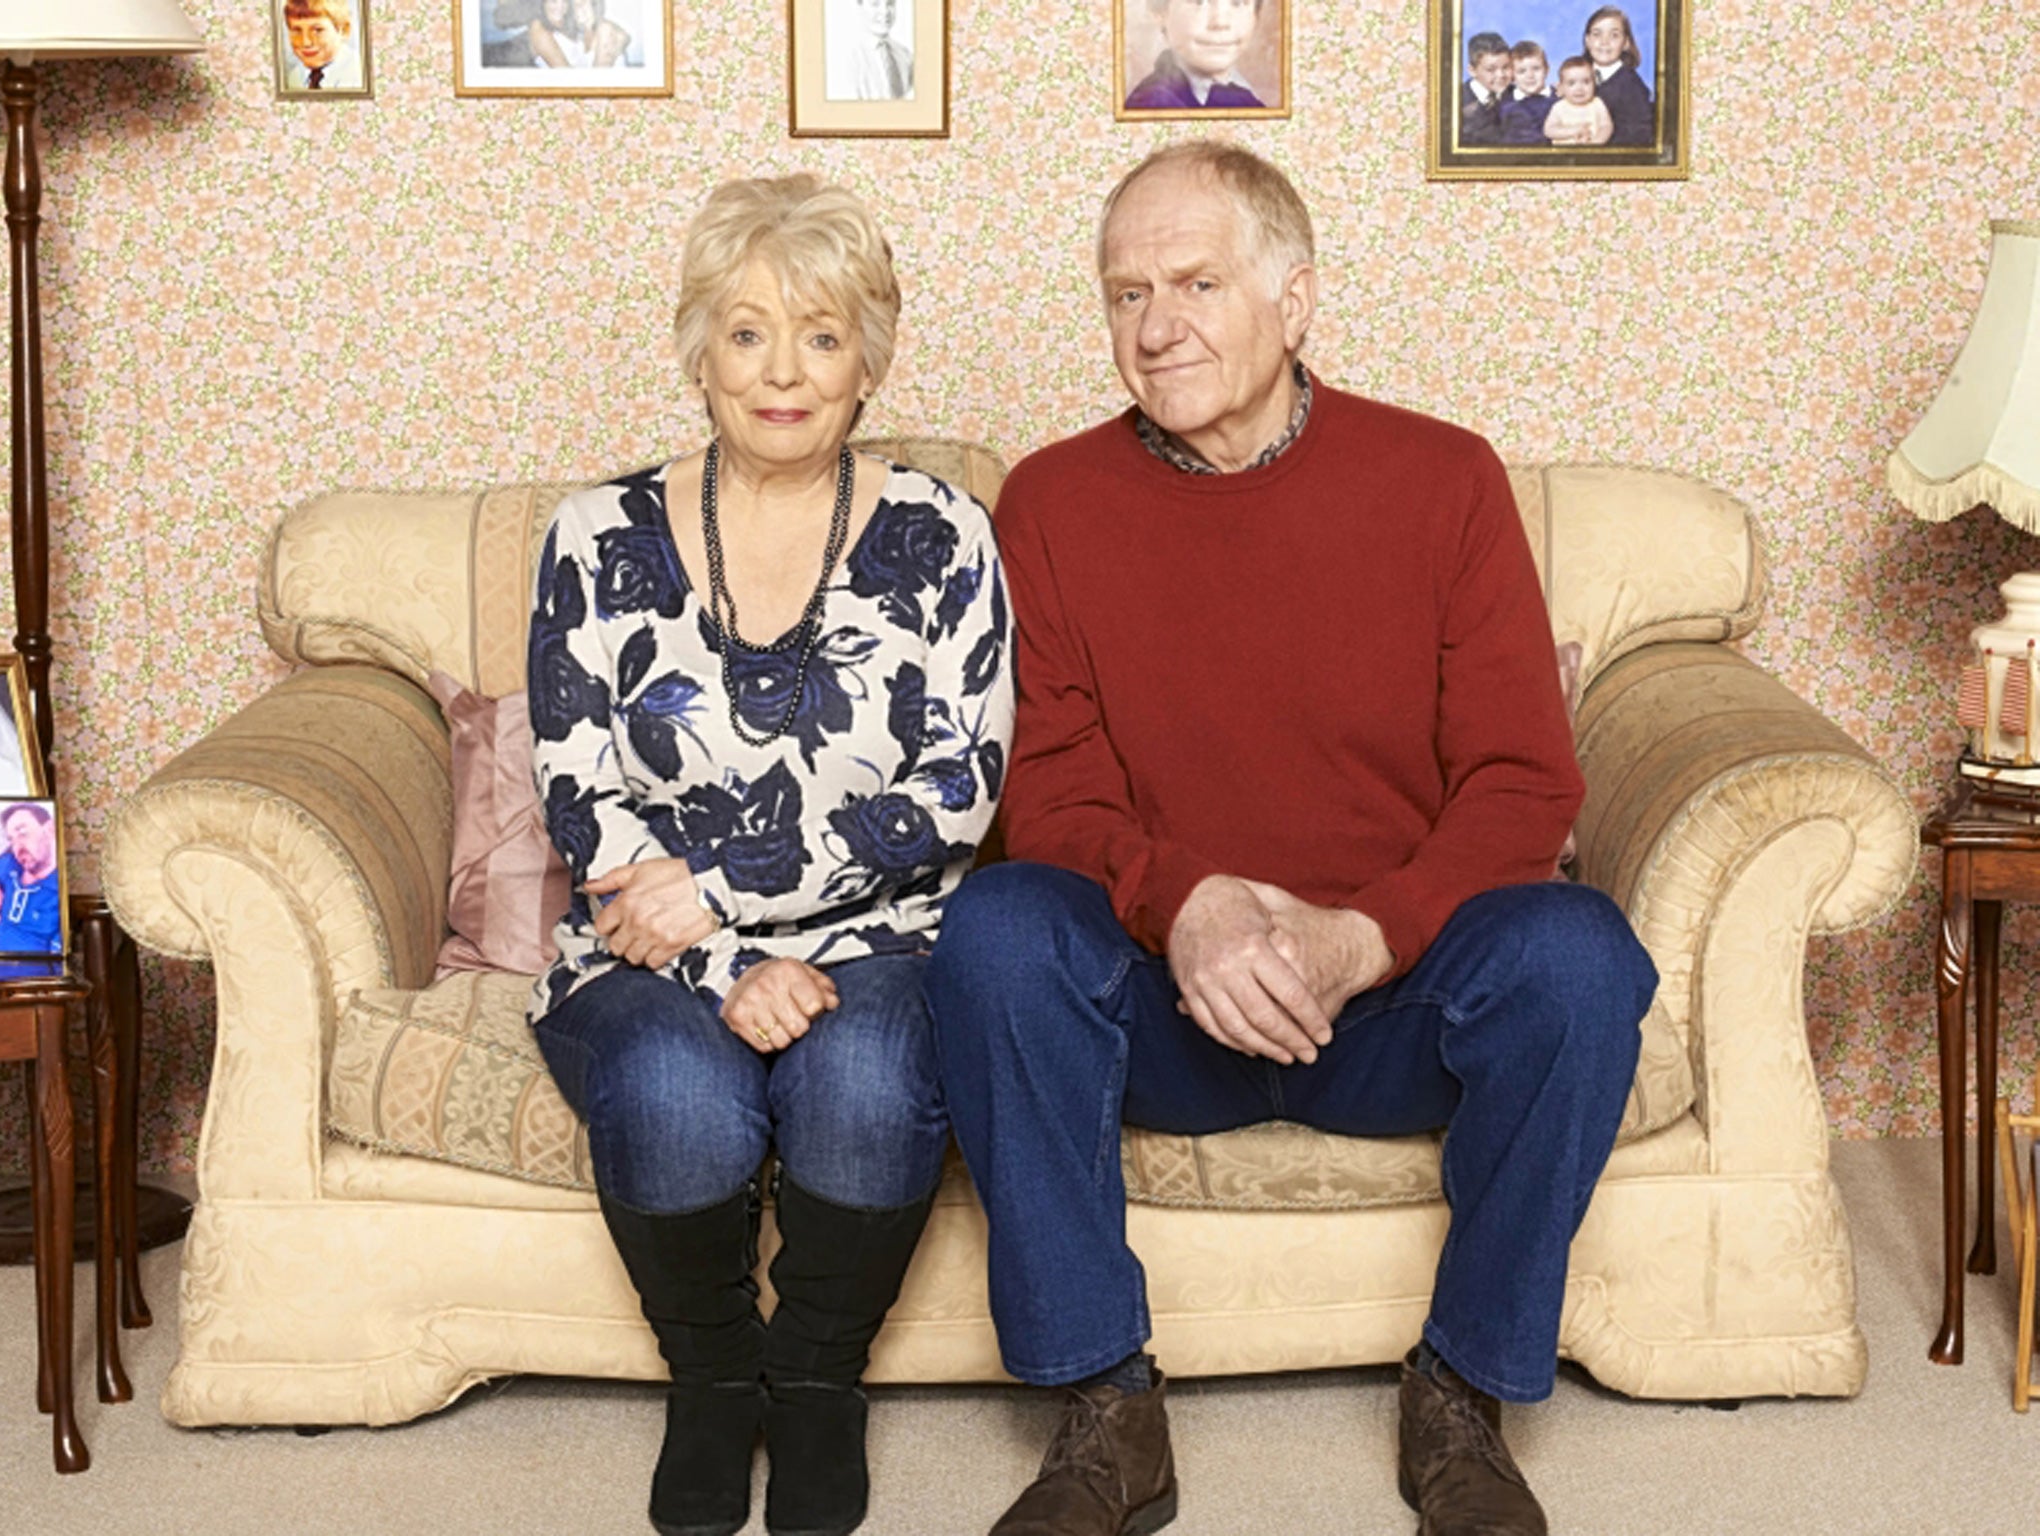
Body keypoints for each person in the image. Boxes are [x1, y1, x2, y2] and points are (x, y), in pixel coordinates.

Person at [923, 140, 1658, 1536]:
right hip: (1167, 1003)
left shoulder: (1442, 479)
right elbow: (1052, 797)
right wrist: (1187, 904)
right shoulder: (1053, 502)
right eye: (1126, 292)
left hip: (1391, 1003)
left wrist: (1363, 936)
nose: (1156, 325)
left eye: (1196, 283)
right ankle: (1103, 1406)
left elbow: (1521, 782)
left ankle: (1461, 1388)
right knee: (996, 928)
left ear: (1296, 298)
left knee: (1580, 955)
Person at [528, 173, 1012, 1536]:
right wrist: (726, 960)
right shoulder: (593, 538)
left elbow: (955, 792)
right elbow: (582, 796)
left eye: (821, 334)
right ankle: (711, 1385)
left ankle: (811, 1387)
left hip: (884, 937)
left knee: (863, 1077)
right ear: (699, 352)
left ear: (871, 359)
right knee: (675, 1092)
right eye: (747, 333)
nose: (783, 372)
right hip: (650, 946)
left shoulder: (945, 535)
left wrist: (726, 889)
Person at [1122, 0, 1266, 112]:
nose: (1220, 23)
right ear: (1160, 12)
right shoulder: (1153, 103)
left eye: (1237, 3)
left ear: (1256, 15)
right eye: (1198, 2)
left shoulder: (1246, 98)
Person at [0, 803, 60, 955]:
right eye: (11, 839)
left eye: (23, 833)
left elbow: (53, 961)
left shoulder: (59, 892)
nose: (17, 847)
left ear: (50, 829)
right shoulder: (9, 864)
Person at [1584, 5, 1653, 146]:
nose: (1604, 42)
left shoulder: (1633, 88)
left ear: (1626, 43)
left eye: (1614, 35)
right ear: (1588, 40)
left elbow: (1638, 136)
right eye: (1597, 34)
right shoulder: (1576, 76)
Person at [830, 0, 914, 101]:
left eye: (890, 3)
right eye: (875, 4)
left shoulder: (905, 56)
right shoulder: (846, 60)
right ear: (859, 7)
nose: (885, 11)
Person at [281, 0, 366, 91]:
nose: (306, 42)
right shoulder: (293, 77)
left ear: (343, 31)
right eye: (297, 31)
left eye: (317, 30)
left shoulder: (360, 74)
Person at [1544, 56, 1613, 146]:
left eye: (1586, 82)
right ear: (1561, 87)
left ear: (1594, 83)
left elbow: (1606, 126)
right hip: (1563, 152)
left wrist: (1595, 143)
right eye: (1571, 83)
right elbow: (1548, 130)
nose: (1579, 88)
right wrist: (1573, 131)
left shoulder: (1597, 103)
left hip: (1593, 151)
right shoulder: (1559, 107)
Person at [1499, 40, 1557, 144]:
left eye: (1536, 69)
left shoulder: (1559, 99)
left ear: (1547, 70)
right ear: (1512, 76)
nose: (1530, 76)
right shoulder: (1505, 104)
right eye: (1522, 71)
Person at [1459, 30, 1511, 145]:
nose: (1501, 75)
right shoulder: (1456, 102)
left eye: (1506, 67)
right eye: (1491, 69)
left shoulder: (1518, 95)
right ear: (1472, 70)